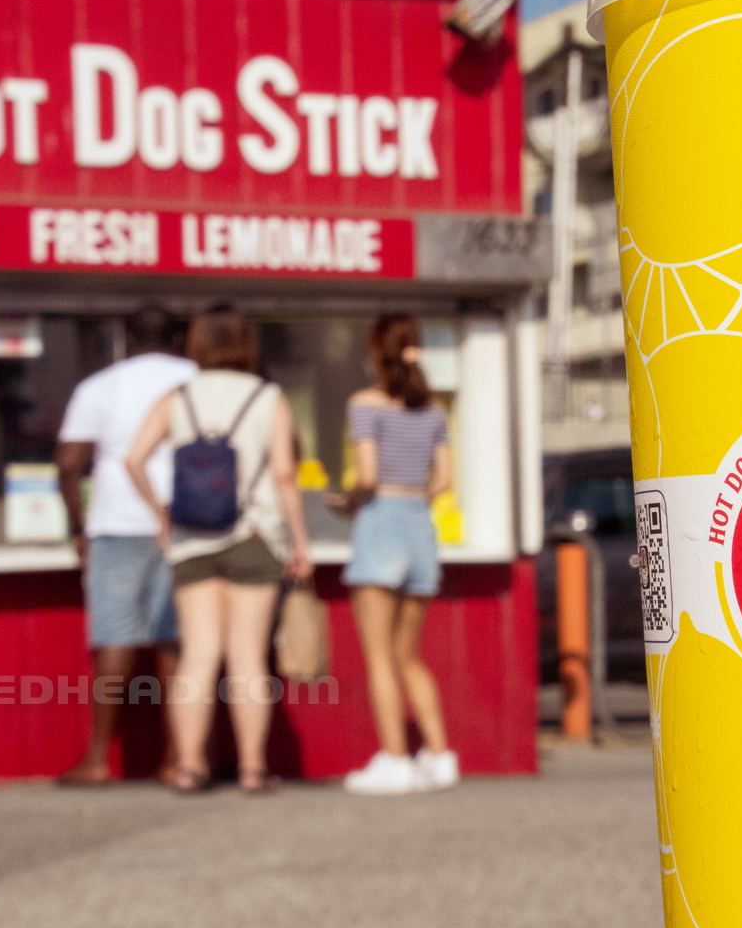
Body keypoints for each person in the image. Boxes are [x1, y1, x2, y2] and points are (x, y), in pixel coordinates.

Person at [125, 303, 311, 794]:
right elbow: (286, 474)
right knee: (248, 657)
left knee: (198, 655)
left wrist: (159, 513)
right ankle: (252, 768)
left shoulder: (177, 397)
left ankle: (189, 766)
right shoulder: (269, 397)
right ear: (246, 342)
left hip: (191, 539)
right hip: (254, 536)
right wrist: (299, 542)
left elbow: (133, 459)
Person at [55, 305, 197, 785]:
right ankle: (179, 757)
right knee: (174, 638)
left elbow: (71, 462)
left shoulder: (99, 386)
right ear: (178, 339)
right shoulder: (197, 378)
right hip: (185, 519)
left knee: (115, 633)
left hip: (117, 517)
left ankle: (97, 759)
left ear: (126, 338)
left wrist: (76, 526)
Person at [339, 313, 458, 795]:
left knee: (379, 657)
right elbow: (444, 480)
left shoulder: (364, 404)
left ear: (374, 352)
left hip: (381, 521)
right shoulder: (433, 411)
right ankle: (439, 755)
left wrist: (347, 500)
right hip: (419, 525)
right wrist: (416, 498)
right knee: (408, 654)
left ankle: (395, 760)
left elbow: (365, 475)